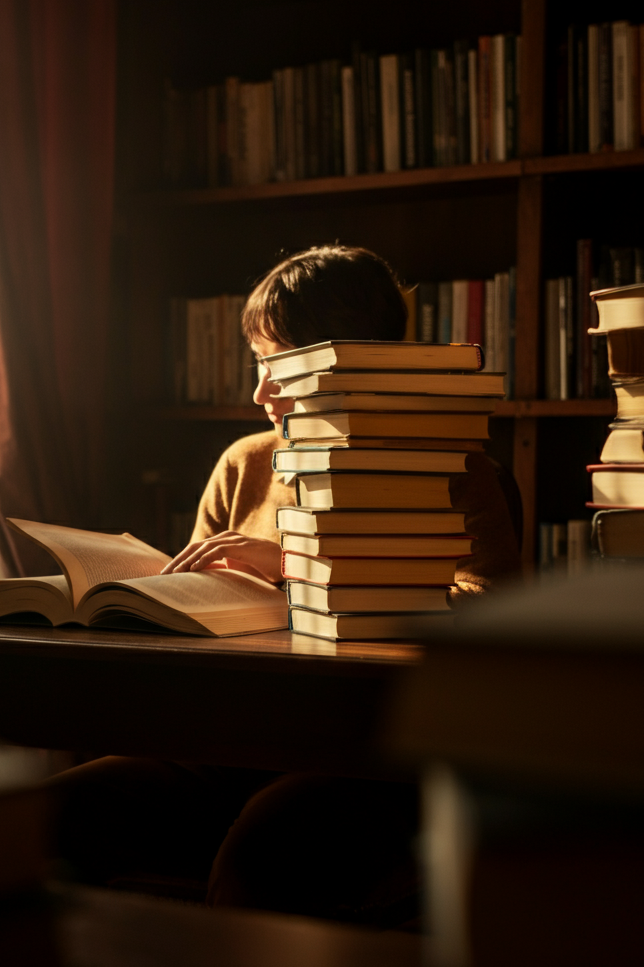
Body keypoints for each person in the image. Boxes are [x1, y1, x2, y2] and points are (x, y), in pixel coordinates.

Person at [48, 245, 522, 923]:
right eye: (259, 362)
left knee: (267, 853)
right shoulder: (244, 464)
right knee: (52, 814)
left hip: (372, 753)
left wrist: (294, 565)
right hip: (231, 737)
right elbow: (194, 604)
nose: (259, 393)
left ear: (354, 360)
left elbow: (492, 621)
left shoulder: (455, 470)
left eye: (280, 365)